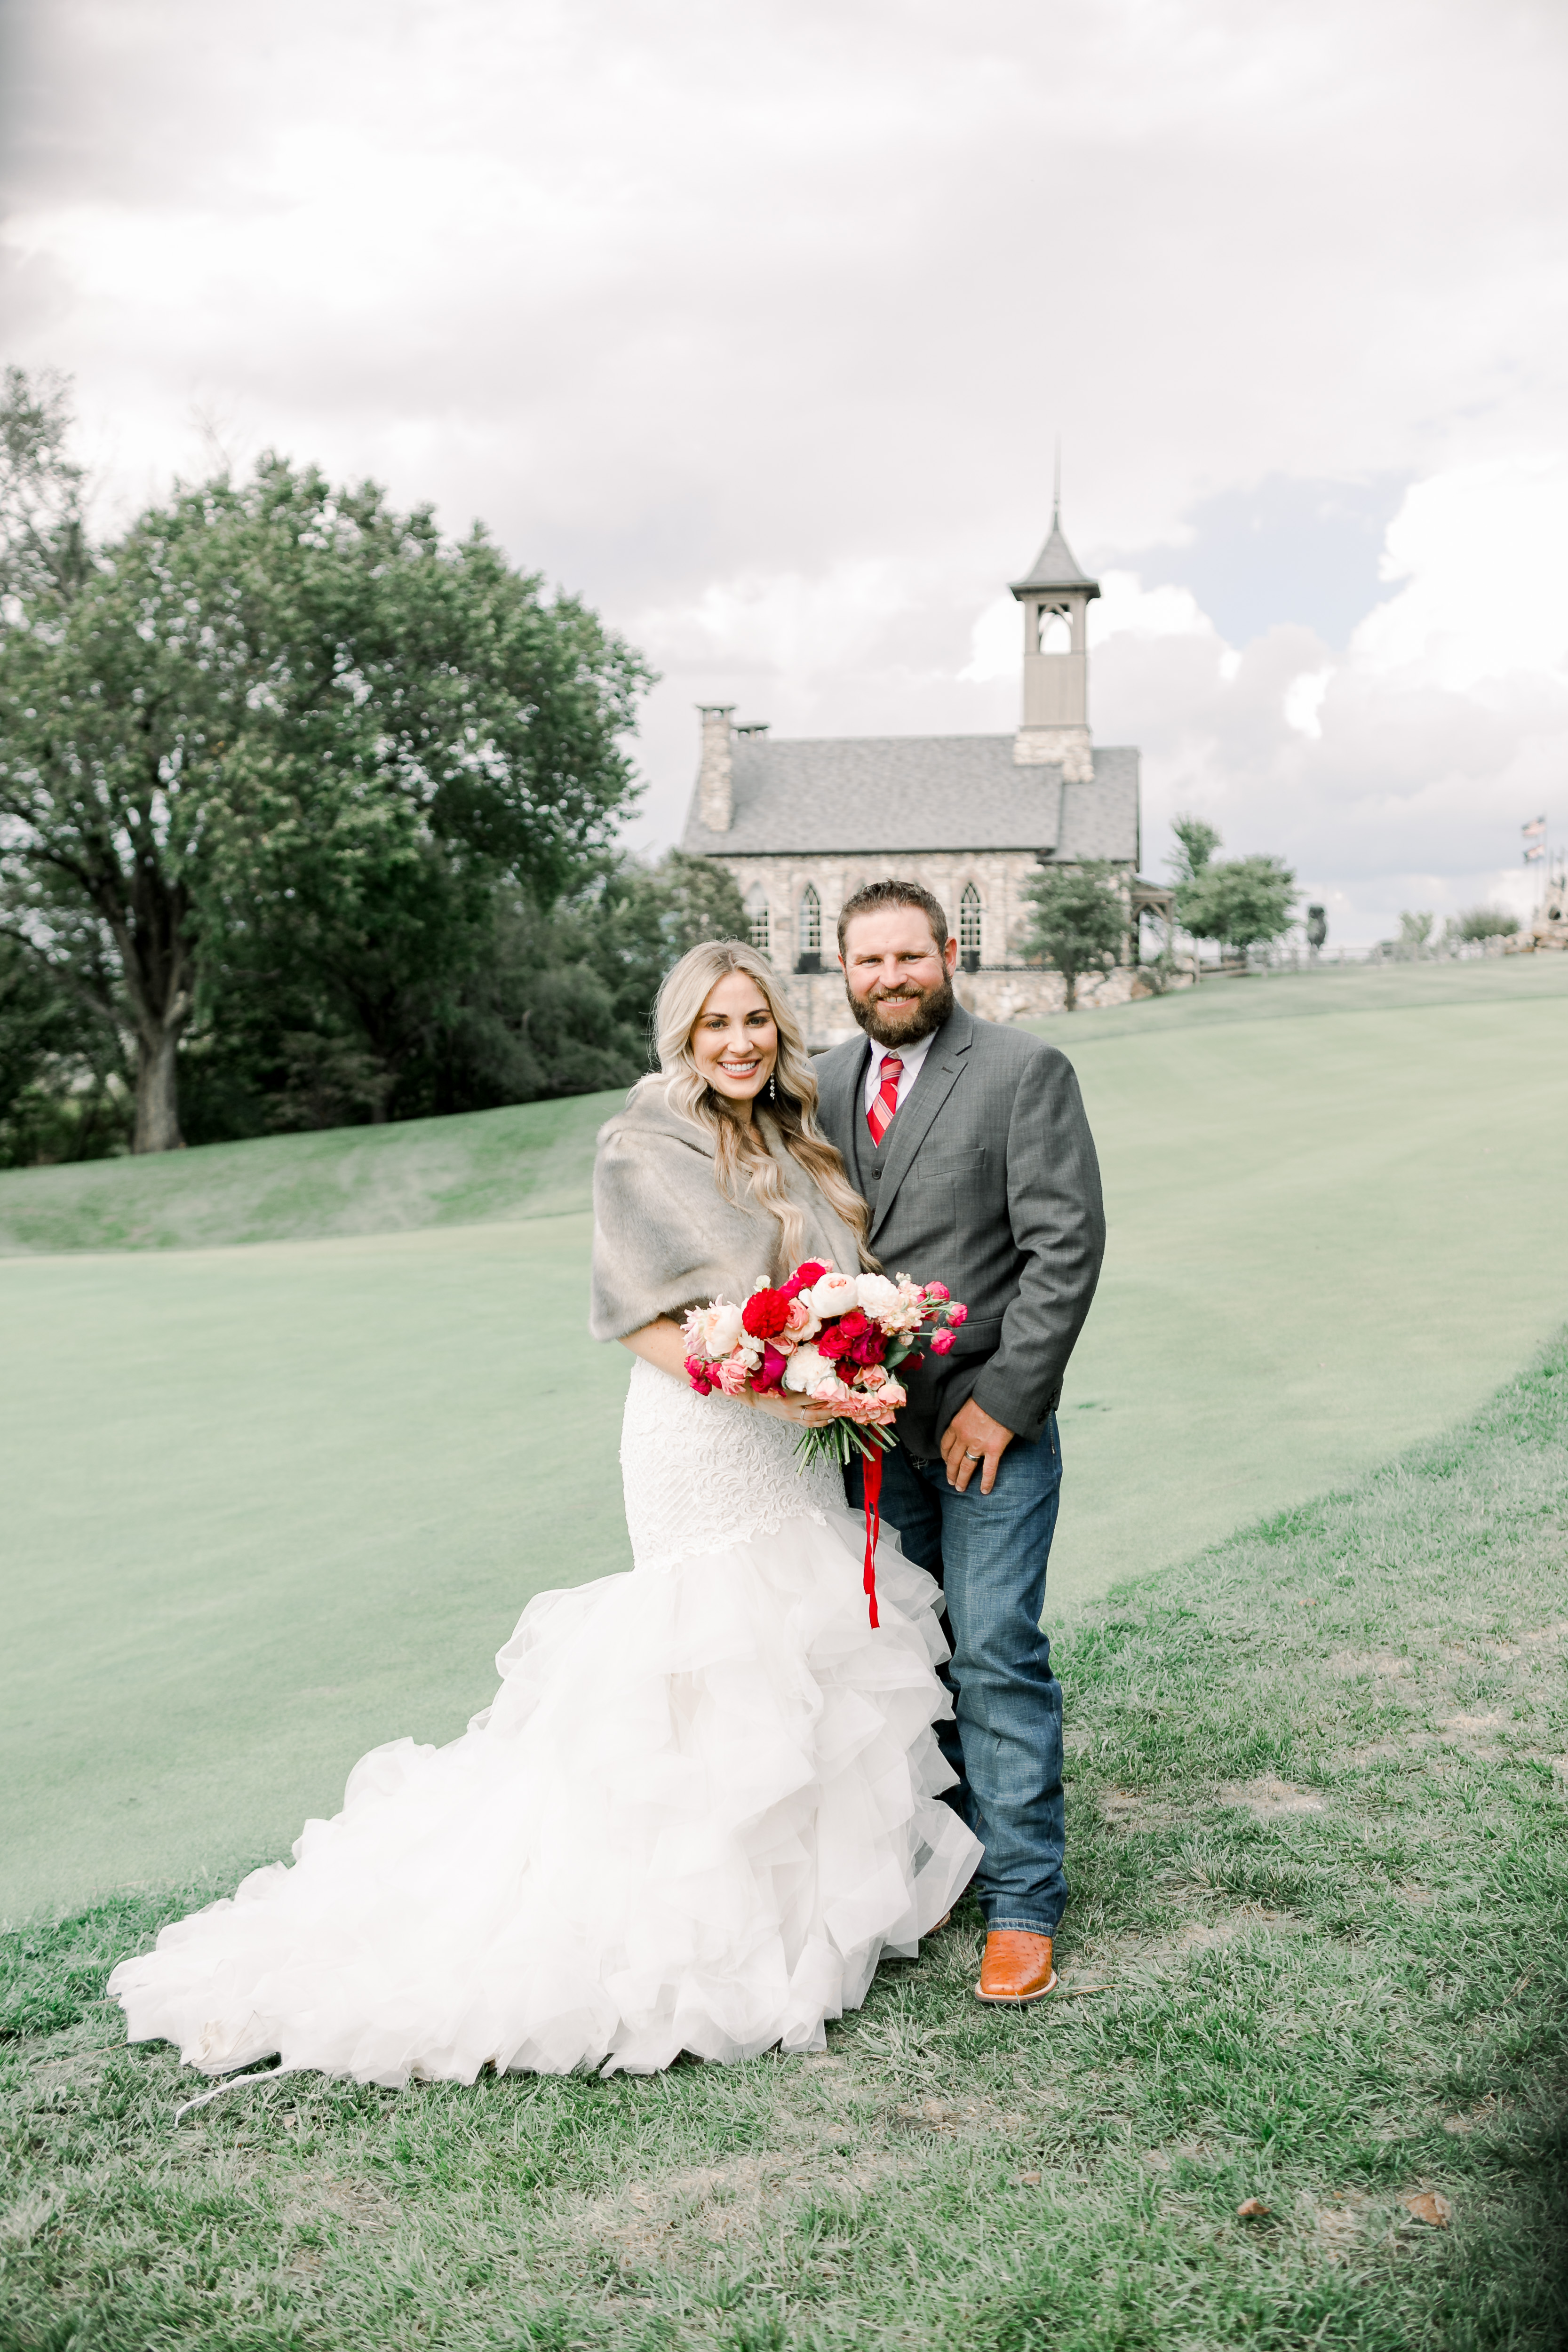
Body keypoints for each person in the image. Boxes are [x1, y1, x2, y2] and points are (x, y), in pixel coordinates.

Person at [108, 941, 979, 2092]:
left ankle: (801, 1913)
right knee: (712, 1654)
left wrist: (853, 1358)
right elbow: (636, 1318)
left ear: (777, 1029)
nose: (737, 1043)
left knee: (801, 1648)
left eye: (755, 1022)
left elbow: (828, 1295)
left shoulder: (793, 1137)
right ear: (682, 1034)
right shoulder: (640, 1144)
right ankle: (689, 1925)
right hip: (701, 1436)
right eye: (714, 1024)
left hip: (794, 1447)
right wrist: (771, 1385)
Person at [813, 880, 1105, 2007]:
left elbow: (1062, 1251)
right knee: (907, 1661)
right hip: (867, 1438)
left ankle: (1023, 1903)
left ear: (947, 954)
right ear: (845, 973)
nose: (890, 977)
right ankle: (943, 1861)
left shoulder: (1023, 1071)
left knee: (992, 1652)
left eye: (909, 957)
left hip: (988, 1432)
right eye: (868, 962)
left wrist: (1005, 1399)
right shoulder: (826, 1083)